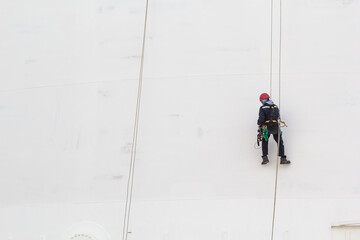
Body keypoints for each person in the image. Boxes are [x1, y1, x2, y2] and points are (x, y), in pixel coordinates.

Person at [258, 93, 290, 165]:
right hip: (275, 127)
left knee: (264, 142)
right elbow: (278, 116)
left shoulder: (262, 108)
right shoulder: (275, 107)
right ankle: (283, 159)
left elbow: (261, 119)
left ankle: (265, 158)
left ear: (263, 100)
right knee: (280, 142)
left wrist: (259, 123)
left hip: (266, 128)